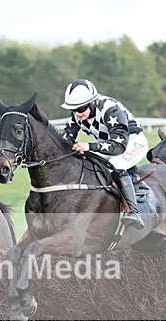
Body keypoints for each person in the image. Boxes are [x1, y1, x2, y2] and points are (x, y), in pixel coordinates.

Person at [60, 79, 147, 229]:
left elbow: (119, 146)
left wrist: (89, 145)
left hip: (132, 142)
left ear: (92, 102)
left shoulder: (111, 110)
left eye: (81, 109)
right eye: (73, 109)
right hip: (108, 143)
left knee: (116, 164)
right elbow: (64, 140)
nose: (77, 113)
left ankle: (133, 211)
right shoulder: (78, 114)